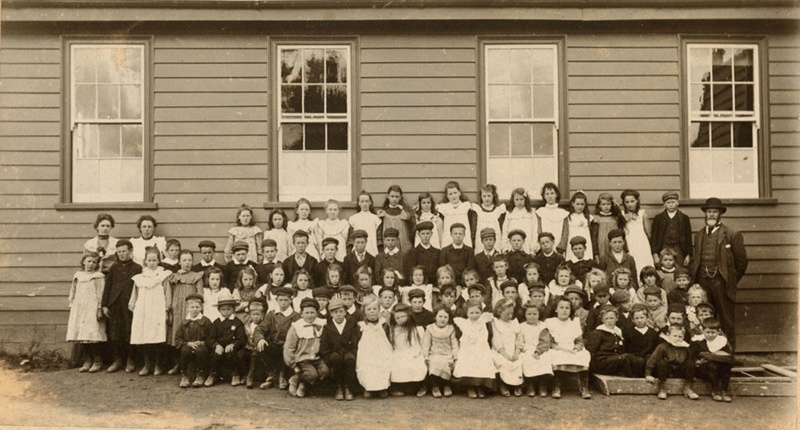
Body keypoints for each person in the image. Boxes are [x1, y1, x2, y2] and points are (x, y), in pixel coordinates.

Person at [690, 197, 747, 349]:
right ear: (705, 213)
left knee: (726, 320)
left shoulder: (732, 234)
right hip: (703, 282)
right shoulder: (699, 235)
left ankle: (728, 354)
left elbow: (741, 264)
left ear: (720, 214)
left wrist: (729, 280)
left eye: (715, 212)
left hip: (722, 284)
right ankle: (707, 353)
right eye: (709, 211)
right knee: (705, 318)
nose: (711, 215)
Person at [129, 246, 171, 376]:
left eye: (154, 260)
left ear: (159, 260)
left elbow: (167, 293)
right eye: (149, 260)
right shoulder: (139, 278)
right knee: (145, 336)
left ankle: (158, 365)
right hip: (143, 309)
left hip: (157, 308)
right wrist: (134, 307)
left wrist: (167, 308)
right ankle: (148, 364)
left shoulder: (164, 275)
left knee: (157, 336)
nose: (152, 263)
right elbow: (134, 295)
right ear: (145, 261)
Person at [102, 239, 142, 373]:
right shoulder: (113, 267)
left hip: (130, 304)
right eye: (119, 252)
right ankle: (117, 360)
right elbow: (107, 286)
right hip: (114, 303)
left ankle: (131, 360)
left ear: (130, 251)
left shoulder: (137, 268)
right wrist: (104, 305)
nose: (122, 254)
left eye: (124, 251)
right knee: (115, 332)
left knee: (129, 331)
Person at [542, 296, 592, 399]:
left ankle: (584, 387)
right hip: (557, 348)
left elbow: (579, 341)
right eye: (561, 308)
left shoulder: (574, 322)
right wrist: (560, 348)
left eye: (567, 308)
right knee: (556, 356)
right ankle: (556, 386)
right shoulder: (550, 322)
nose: (564, 310)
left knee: (583, 354)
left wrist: (576, 348)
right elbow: (549, 341)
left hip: (572, 347)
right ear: (556, 309)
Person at [165, 250, 204, 375]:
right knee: (177, 334)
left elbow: (200, 294)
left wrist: (196, 307)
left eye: (189, 260)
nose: (187, 263)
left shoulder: (196, 276)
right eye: (184, 260)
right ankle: (178, 364)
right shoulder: (174, 277)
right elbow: (169, 294)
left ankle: (192, 366)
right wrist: (169, 308)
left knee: (191, 334)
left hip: (191, 309)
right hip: (177, 309)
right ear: (179, 262)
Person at [67, 252, 107, 373]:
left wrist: (99, 308)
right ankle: (87, 360)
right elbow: (73, 291)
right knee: (82, 334)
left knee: (92, 334)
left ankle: (97, 361)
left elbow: (101, 293)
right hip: (79, 308)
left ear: (97, 264)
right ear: (84, 261)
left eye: (94, 262)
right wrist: (72, 304)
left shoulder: (98, 276)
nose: (91, 264)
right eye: (89, 261)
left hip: (92, 307)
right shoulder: (78, 276)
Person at [254, 286, 300, 390]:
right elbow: (259, 329)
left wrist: (289, 344)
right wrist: (260, 339)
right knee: (262, 346)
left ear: (291, 300)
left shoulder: (296, 316)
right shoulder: (271, 315)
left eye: (286, 300)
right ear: (276, 300)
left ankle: (282, 376)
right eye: (281, 300)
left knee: (287, 350)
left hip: (288, 347)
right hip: (274, 345)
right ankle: (271, 375)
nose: (283, 303)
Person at [284, 298, 329, 398]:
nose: (309, 315)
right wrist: (292, 364)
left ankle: (304, 382)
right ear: (301, 313)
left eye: (312, 312)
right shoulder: (297, 326)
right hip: (303, 359)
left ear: (317, 313)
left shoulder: (321, 323)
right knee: (312, 375)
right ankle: (296, 379)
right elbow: (289, 347)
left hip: (317, 357)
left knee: (325, 371)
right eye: (307, 313)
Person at [453, 299, 496, 399]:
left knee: (483, 362)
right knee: (468, 362)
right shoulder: (463, 323)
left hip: (481, 348)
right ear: (467, 313)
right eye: (471, 313)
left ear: (481, 312)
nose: (474, 315)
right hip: (468, 349)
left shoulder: (484, 322)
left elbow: (488, 336)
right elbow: (461, 337)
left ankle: (481, 387)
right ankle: (470, 387)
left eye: (477, 312)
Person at [320, 297, 360, 401]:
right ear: (331, 314)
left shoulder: (351, 325)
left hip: (348, 352)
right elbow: (324, 347)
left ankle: (347, 387)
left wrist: (353, 354)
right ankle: (338, 387)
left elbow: (355, 343)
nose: (338, 314)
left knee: (349, 359)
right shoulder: (328, 327)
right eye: (335, 312)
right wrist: (328, 358)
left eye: (341, 311)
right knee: (336, 359)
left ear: (345, 312)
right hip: (334, 354)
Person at [584, 305, 642, 378]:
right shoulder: (598, 332)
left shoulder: (618, 332)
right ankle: (632, 376)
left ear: (616, 318)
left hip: (615, 360)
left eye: (612, 318)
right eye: (606, 318)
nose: (609, 321)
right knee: (626, 357)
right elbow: (590, 351)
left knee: (634, 359)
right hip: (601, 362)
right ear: (602, 320)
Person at [645, 324, 699, 400]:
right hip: (666, 371)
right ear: (668, 335)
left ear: (683, 337)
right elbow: (653, 360)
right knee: (662, 362)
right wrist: (648, 374)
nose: (677, 339)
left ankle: (688, 388)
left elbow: (689, 360)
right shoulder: (663, 346)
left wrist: (691, 374)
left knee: (690, 363)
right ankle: (662, 388)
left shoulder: (685, 348)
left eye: (680, 337)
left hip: (679, 371)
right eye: (675, 336)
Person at [691, 318, 737, 402]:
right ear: (702, 330)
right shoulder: (697, 341)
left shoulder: (721, 341)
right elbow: (692, 355)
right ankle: (715, 390)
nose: (710, 335)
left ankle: (724, 390)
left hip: (720, 368)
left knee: (726, 367)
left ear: (719, 331)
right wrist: (698, 362)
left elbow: (728, 355)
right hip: (703, 369)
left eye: (713, 332)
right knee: (712, 366)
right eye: (707, 332)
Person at [207, 290, 247, 387]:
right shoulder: (216, 323)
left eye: (228, 309)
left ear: (233, 309)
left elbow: (242, 339)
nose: (226, 312)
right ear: (219, 310)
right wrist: (216, 345)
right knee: (216, 354)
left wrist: (233, 344)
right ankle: (213, 374)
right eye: (223, 309)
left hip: (233, 347)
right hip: (220, 347)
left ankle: (235, 374)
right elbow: (210, 338)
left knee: (231, 352)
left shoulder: (237, 322)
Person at [388, 303, 428, 397]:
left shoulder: (417, 329)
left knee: (417, 366)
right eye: (397, 318)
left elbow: (423, 344)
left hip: (414, 352)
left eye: (403, 316)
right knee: (396, 366)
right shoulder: (393, 330)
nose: (400, 319)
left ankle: (421, 386)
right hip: (398, 352)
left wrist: (424, 355)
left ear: (409, 316)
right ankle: (396, 387)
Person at [357, 295, 392, 398]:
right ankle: (368, 388)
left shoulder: (384, 324)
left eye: (374, 309)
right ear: (364, 311)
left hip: (382, 350)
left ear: (379, 310)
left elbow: (389, 338)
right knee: (367, 365)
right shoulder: (362, 325)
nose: (372, 311)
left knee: (383, 364)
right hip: (367, 351)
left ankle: (383, 387)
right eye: (369, 309)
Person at [174, 293, 212, 388]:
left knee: (200, 350)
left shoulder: (206, 321)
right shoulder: (184, 322)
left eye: (197, 307)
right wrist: (188, 343)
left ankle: (201, 375)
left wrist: (203, 342)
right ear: (188, 308)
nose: (194, 309)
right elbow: (178, 338)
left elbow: (211, 337)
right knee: (185, 350)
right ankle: (185, 376)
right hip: (188, 345)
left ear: (201, 308)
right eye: (192, 307)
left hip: (202, 347)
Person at [422, 305, 459, 398]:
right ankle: (435, 386)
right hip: (434, 353)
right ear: (435, 317)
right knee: (434, 362)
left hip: (447, 354)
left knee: (447, 363)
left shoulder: (451, 328)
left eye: (445, 317)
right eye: (440, 316)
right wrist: (425, 356)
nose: (443, 319)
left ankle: (447, 385)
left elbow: (454, 344)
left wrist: (455, 357)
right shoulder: (430, 328)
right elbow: (426, 343)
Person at [650, 191, 693, 268]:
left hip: (679, 249)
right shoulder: (658, 218)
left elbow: (688, 237)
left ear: (677, 203)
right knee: (663, 269)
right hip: (663, 247)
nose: (671, 205)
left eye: (673, 202)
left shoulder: (684, 218)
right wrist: (655, 254)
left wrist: (688, 254)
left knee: (680, 270)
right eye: (668, 202)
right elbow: (654, 238)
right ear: (664, 204)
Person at [491, 298, 524, 397]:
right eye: (507, 314)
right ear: (499, 312)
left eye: (511, 313)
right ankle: (503, 385)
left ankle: (517, 385)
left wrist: (517, 352)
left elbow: (519, 338)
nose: (510, 316)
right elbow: (496, 340)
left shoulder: (514, 323)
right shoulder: (496, 323)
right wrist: (505, 354)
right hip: (501, 351)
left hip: (513, 350)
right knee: (501, 361)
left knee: (519, 361)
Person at [520, 303, 553, 397]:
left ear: (539, 315)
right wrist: (522, 348)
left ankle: (542, 385)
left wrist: (538, 351)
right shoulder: (521, 326)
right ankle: (530, 384)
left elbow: (545, 341)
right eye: (529, 314)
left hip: (540, 349)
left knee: (545, 358)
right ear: (525, 315)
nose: (532, 317)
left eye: (535, 314)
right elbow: (519, 340)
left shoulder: (542, 326)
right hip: (526, 349)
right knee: (526, 358)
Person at [620, 189, 654, 274]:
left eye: (632, 201)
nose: (630, 204)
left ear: (637, 201)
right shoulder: (621, 214)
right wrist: (624, 220)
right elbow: (619, 230)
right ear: (623, 203)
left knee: (643, 262)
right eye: (627, 202)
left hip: (641, 243)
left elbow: (649, 233)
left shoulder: (642, 214)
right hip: (629, 242)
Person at [559, 191, 598, 262]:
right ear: (572, 203)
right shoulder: (568, 217)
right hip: (572, 243)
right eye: (577, 204)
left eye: (582, 204)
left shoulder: (588, 218)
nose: (580, 206)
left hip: (586, 243)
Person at [501, 188, 540, 255]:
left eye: (521, 199)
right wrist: (505, 247)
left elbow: (535, 231)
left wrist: (533, 248)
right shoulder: (510, 214)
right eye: (517, 199)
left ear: (525, 200)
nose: (519, 202)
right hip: (512, 245)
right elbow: (505, 231)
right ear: (513, 200)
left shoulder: (531, 213)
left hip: (527, 244)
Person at [439, 181, 476, 248]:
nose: (453, 196)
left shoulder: (466, 206)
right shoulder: (444, 208)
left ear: (459, 193)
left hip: (464, 237)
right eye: (450, 194)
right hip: (449, 237)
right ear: (447, 196)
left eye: (455, 193)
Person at [471, 183, 506, 254]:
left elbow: (502, 227)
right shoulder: (477, 209)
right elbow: (473, 227)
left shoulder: (498, 210)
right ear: (481, 197)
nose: (487, 198)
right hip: (480, 239)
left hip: (496, 238)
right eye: (484, 196)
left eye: (489, 196)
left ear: (493, 196)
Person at [378, 185, 414, 253]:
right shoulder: (383, 212)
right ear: (388, 196)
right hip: (388, 244)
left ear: (400, 197)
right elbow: (379, 230)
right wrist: (380, 245)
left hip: (403, 244)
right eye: (392, 196)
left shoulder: (404, 211)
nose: (394, 199)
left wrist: (408, 217)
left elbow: (412, 227)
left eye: (397, 197)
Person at [592, 192, 625, 265]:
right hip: (601, 246)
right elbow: (594, 237)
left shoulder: (615, 218)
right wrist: (596, 254)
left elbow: (622, 234)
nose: (606, 206)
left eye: (608, 204)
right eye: (603, 204)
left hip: (615, 244)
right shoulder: (596, 219)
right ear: (599, 205)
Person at [536, 182, 569, 248]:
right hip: (544, 246)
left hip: (559, 246)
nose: (550, 196)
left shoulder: (563, 213)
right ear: (544, 196)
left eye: (552, 193)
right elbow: (539, 230)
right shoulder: (540, 212)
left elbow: (565, 231)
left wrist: (561, 246)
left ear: (556, 194)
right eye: (547, 194)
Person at [349, 191, 382, 257]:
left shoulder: (376, 218)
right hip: (358, 249)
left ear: (370, 202)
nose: (364, 204)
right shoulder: (353, 218)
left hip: (372, 249)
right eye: (362, 201)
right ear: (359, 203)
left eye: (366, 201)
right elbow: (351, 238)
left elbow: (379, 238)